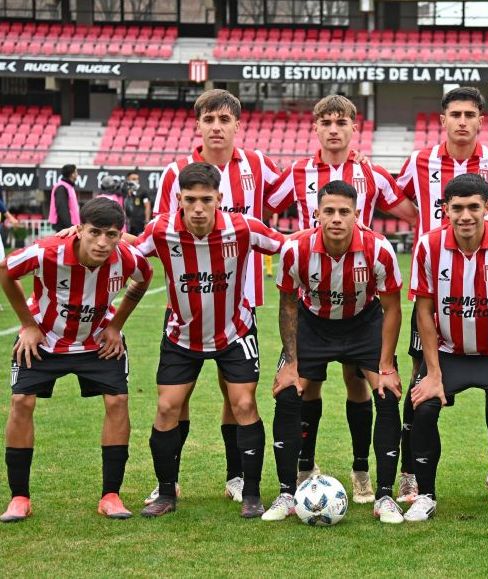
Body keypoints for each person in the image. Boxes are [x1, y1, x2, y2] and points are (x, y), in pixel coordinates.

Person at [265, 95, 417, 502]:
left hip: (360, 297)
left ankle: (361, 470)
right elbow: (258, 210)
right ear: (315, 127)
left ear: (354, 128)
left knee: (358, 383)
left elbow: (414, 214)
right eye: (326, 122)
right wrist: (290, 248)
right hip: (311, 295)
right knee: (306, 387)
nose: (334, 129)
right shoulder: (297, 173)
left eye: (341, 122)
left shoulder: (371, 173)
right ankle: (304, 467)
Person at [395, 86, 488, 505]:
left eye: (469, 114)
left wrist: (484, 224)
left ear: (480, 120)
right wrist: (426, 225)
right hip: (436, 284)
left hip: (487, 278)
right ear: (442, 119)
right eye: (454, 114)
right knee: (420, 386)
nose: (461, 121)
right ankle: (409, 475)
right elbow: (397, 200)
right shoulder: (420, 161)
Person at [146, 89, 281, 507]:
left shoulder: (256, 166)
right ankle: (167, 485)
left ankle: (241, 480)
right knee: (173, 402)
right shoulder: (174, 174)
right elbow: (146, 237)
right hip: (185, 312)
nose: (217, 126)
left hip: (237, 306)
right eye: (209, 119)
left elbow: (293, 199)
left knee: (237, 398)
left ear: (237, 125)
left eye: (225, 119)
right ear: (198, 124)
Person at [0, 197, 152, 522]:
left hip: (97, 340)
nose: (102, 242)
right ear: (80, 229)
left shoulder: (126, 258)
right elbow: (5, 270)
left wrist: (116, 326)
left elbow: (145, 277)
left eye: (111, 235)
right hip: (43, 337)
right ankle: (19, 498)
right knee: (21, 402)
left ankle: (111, 495)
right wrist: (27, 324)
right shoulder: (47, 252)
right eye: (95, 232)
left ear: (119, 235)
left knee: (118, 401)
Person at [265, 180, 405, 524]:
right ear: (317, 214)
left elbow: (393, 309)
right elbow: (287, 305)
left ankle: (381, 492)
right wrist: (291, 362)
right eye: (329, 211)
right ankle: (290, 488)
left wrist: (386, 364)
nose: (337, 218)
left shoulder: (379, 249)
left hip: (363, 321)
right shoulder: (295, 249)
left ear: (356, 215)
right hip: (313, 322)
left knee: (386, 393)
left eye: (345, 212)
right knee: (290, 391)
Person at [49, 164, 80, 232]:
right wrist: (69, 226)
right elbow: (62, 208)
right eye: (76, 172)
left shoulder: (68, 186)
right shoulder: (62, 188)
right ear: (72, 174)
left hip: (69, 226)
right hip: (65, 227)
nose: (78, 174)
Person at [123, 171, 152, 236]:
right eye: (133, 179)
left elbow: (147, 206)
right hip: (128, 223)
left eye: (137, 179)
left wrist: (147, 221)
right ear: (128, 180)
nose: (136, 181)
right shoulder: (125, 191)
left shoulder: (143, 191)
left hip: (140, 222)